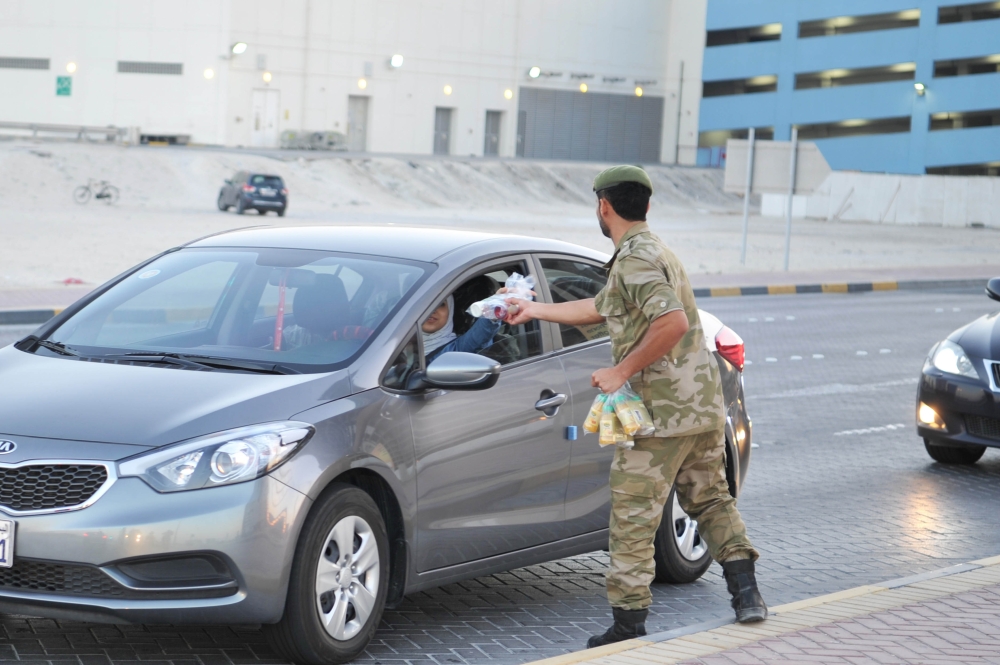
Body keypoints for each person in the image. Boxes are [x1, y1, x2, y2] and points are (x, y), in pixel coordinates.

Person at [505, 165, 767, 648]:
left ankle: (627, 626)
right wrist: (535, 310)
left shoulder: (635, 260)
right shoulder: (652, 251)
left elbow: (668, 322)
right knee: (710, 498)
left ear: (604, 206)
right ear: (645, 205)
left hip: (659, 416)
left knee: (631, 516)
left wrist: (619, 373)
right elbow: (598, 308)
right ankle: (747, 596)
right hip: (700, 407)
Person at [422, 295, 500, 362]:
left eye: (441, 304)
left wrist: (494, 307)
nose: (432, 310)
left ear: (450, 311)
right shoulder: (410, 343)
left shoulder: (456, 349)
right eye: (425, 304)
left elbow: (476, 339)